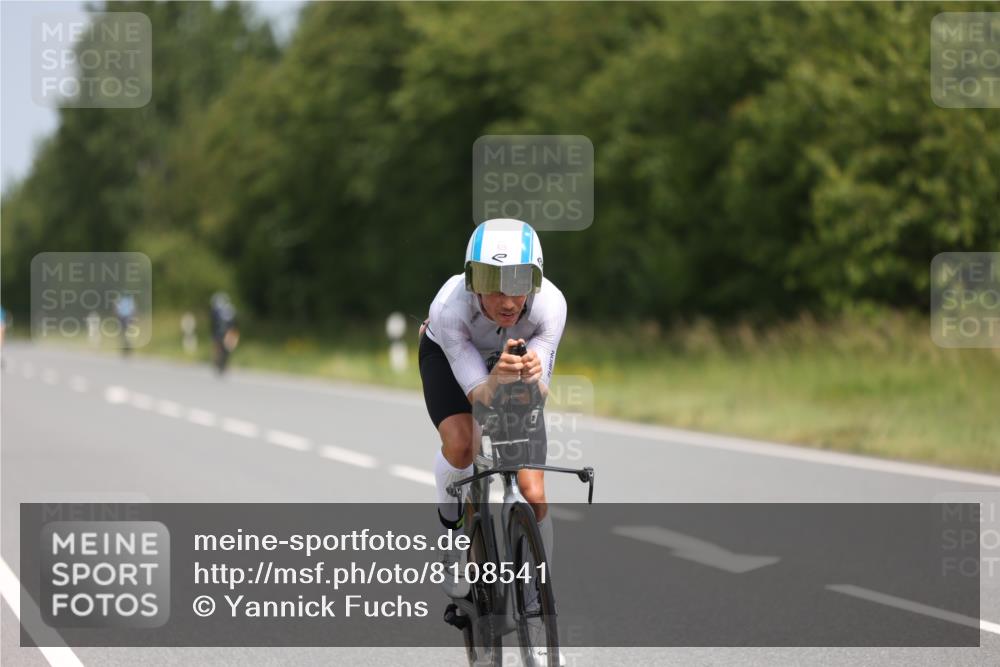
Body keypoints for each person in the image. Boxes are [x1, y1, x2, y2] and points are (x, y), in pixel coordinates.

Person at [419, 219, 566, 606]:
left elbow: (541, 396)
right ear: (472, 281)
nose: (506, 301)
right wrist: (496, 380)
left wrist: (532, 380)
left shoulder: (550, 305)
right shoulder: (449, 308)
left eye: (519, 286)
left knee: (533, 491)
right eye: (494, 285)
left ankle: (540, 600)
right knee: (463, 443)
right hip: (451, 357)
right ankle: (452, 537)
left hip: (511, 362)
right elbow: (479, 397)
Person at [209, 292, 239, 374]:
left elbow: (213, 323)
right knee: (226, 349)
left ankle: (218, 363)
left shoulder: (216, 311)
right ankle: (223, 365)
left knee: (219, 348)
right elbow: (235, 323)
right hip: (228, 332)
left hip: (221, 332)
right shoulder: (231, 309)